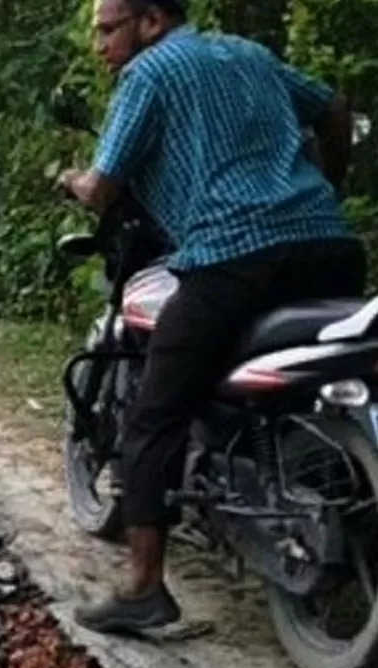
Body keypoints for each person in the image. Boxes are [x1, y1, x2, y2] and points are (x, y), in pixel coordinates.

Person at [57, 0, 368, 634]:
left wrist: (70, 180)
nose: (99, 46)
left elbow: (105, 186)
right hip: (330, 248)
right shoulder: (248, 53)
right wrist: (326, 187)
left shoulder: (149, 73)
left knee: (155, 409)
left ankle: (144, 590)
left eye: (108, 29)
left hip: (234, 257)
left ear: (151, 22)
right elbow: (334, 109)